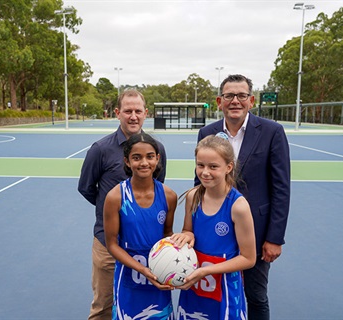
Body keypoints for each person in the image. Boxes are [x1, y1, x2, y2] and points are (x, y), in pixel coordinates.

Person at [196, 74, 291, 320]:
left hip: (257, 234)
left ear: (251, 100)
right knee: (214, 292)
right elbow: (200, 182)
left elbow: (281, 187)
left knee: (256, 296)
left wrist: (274, 237)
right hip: (214, 234)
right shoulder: (208, 132)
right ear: (220, 101)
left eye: (241, 96)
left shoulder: (272, 132)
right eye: (229, 96)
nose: (235, 101)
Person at [78, 89, 167, 319]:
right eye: (128, 111)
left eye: (138, 111)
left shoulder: (157, 149)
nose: (133, 116)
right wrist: (112, 212)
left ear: (145, 113)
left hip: (145, 245)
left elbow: (157, 189)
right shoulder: (101, 149)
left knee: (145, 306)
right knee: (103, 306)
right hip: (109, 245)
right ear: (118, 113)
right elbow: (87, 188)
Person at [171, 134, 256, 319]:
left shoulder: (238, 206)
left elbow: (249, 258)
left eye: (213, 166)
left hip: (224, 289)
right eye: (200, 165)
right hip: (194, 286)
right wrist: (187, 235)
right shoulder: (193, 197)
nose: (205, 172)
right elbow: (188, 230)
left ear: (229, 167)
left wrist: (206, 270)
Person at [104, 132, 177, 319]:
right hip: (129, 278)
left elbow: (167, 233)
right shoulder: (115, 197)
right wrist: (142, 269)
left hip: (158, 276)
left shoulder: (169, 196)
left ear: (157, 159)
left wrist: (174, 263)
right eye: (137, 158)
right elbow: (112, 244)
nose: (144, 163)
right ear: (127, 162)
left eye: (150, 157)